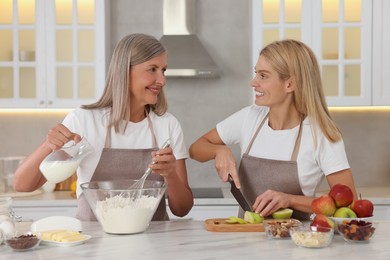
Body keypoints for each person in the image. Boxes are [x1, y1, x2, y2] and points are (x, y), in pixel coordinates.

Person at [13, 33, 193, 221]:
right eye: (152, 69)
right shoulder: (83, 121)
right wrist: (48, 145)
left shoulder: (167, 125)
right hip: (95, 245)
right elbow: (22, 185)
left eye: (163, 70)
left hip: (153, 243)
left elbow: (182, 209)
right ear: (125, 71)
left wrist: (171, 175)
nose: (162, 80)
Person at [189, 39, 358, 220]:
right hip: (245, 240)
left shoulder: (321, 134)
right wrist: (219, 150)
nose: (253, 83)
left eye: (263, 76)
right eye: (256, 74)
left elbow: (348, 205)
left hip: (298, 241)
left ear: (289, 84)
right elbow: (195, 149)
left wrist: (289, 200)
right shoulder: (249, 118)